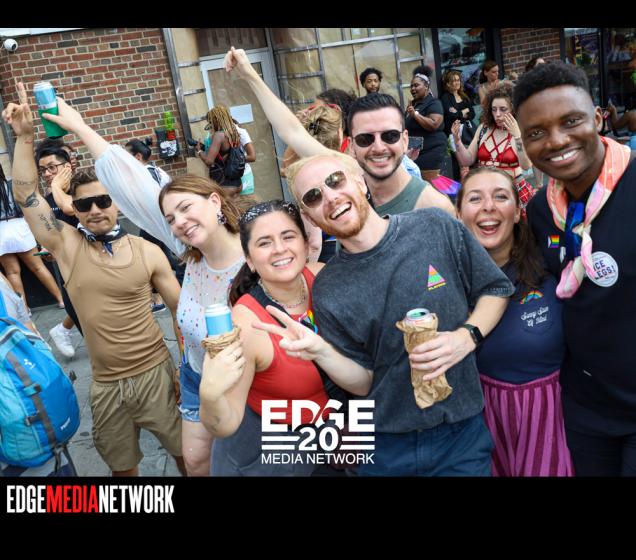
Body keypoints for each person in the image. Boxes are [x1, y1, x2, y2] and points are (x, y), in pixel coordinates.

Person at [36, 89, 249, 477]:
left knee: (239, 461)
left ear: (215, 203)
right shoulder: (187, 250)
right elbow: (136, 189)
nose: (179, 222)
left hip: (243, 379)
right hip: (193, 377)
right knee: (197, 463)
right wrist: (79, 129)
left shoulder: (252, 253)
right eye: (170, 218)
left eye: (186, 208)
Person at [275, 150, 515, 476]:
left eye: (336, 181)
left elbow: (495, 289)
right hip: (385, 447)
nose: (330, 197)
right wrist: (321, 352)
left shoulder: (435, 226)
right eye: (314, 196)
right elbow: (364, 383)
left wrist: (466, 337)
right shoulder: (328, 289)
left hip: (459, 436)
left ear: (360, 182)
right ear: (310, 217)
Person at [3, 83, 185, 477]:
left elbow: (181, 314)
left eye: (104, 200)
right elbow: (26, 195)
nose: (96, 210)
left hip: (156, 374)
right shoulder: (66, 245)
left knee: (188, 459)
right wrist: (25, 138)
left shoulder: (148, 251)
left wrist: (182, 371)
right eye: (85, 204)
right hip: (105, 386)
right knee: (123, 472)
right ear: (76, 208)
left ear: (117, 201)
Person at [516, 61, 636, 476]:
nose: (556, 141)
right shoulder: (540, 210)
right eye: (536, 133)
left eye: (571, 121)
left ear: (598, 118)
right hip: (586, 409)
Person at [199, 200, 356, 475]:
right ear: (249, 260)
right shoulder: (247, 326)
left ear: (306, 244)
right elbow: (226, 423)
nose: (280, 249)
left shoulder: (324, 277)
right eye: (264, 243)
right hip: (275, 451)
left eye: (288, 236)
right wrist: (210, 396)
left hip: (334, 430)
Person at [223, 48, 455, 220]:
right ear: (352, 145)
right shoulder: (352, 172)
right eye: (365, 139)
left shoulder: (434, 206)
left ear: (404, 140)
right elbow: (291, 131)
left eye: (390, 136)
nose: (378, 147)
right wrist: (248, 73)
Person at [457, 167, 574, 476]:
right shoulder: (446, 279)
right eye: (475, 198)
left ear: (519, 210)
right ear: (458, 213)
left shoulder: (550, 262)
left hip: (550, 420)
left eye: (500, 196)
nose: (488, 207)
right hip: (479, 424)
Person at [452, 82, 536, 214]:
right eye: (494, 109)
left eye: (503, 109)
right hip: (485, 190)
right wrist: (457, 141)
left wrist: (517, 137)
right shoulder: (483, 129)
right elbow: (467, 160)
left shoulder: (521, 129)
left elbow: (526, 165)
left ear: (514, 109)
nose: (497, 114)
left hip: (513, 191)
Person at [33, 142, 83, 357]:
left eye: (52, 167)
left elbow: (71, 209)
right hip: (66, 264)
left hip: (91, 258)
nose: (47, 174)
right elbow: (49, 230)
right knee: (75, 307)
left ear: (67, 166)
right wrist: (46, 246)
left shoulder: (82, 188)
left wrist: (56, 186)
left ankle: (63, 330)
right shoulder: (47, 200)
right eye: (43, 170)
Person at [125, 137, 182, 311]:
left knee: (148, 258)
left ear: (137, 157)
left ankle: (159, 300)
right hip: (159, 222)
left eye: (126, 156)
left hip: (154, 223)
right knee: (164, 256)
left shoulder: (144, 175)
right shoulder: (157, 170)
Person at [0, 162, 65, 314]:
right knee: (38, 267)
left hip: (1, 231)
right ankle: (61, 299)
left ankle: (24, 310)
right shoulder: (12, 185)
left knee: (12, 272)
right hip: (19, 226)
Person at [405, 65, 447, 182]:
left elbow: (434, 124)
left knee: (431, 185)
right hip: (416, 152)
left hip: (431, 152)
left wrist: (415, 114)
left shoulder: (434, 103)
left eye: (416, 85)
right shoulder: (413, 105)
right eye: (411, 86)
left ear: (426, 86)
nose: (413, 89)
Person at [196, 105, 244, 197]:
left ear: (216, 120)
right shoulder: (234, 132)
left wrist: (199, 151)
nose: (211, 125)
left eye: (211, 122)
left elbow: (209, 161)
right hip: (238, 183)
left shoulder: (219, 135)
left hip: (225, 185)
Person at [440, 69, 475, 181]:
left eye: (458, 80)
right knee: (461, 164)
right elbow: (451, 115)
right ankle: (463, 187)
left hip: (467, 133)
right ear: (448, 84)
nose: (457, 82)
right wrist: (464, 112)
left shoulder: (464, 96)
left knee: (470, 162)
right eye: (453, 80)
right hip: (453, 134)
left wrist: (458, 113)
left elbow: (472, 113)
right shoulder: (445, 97)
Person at [232, 119, 257, 195]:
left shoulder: (241, 132)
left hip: (244, 175)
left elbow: (252, 157)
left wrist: (233, 158)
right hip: (231, 178)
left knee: (245, 201)